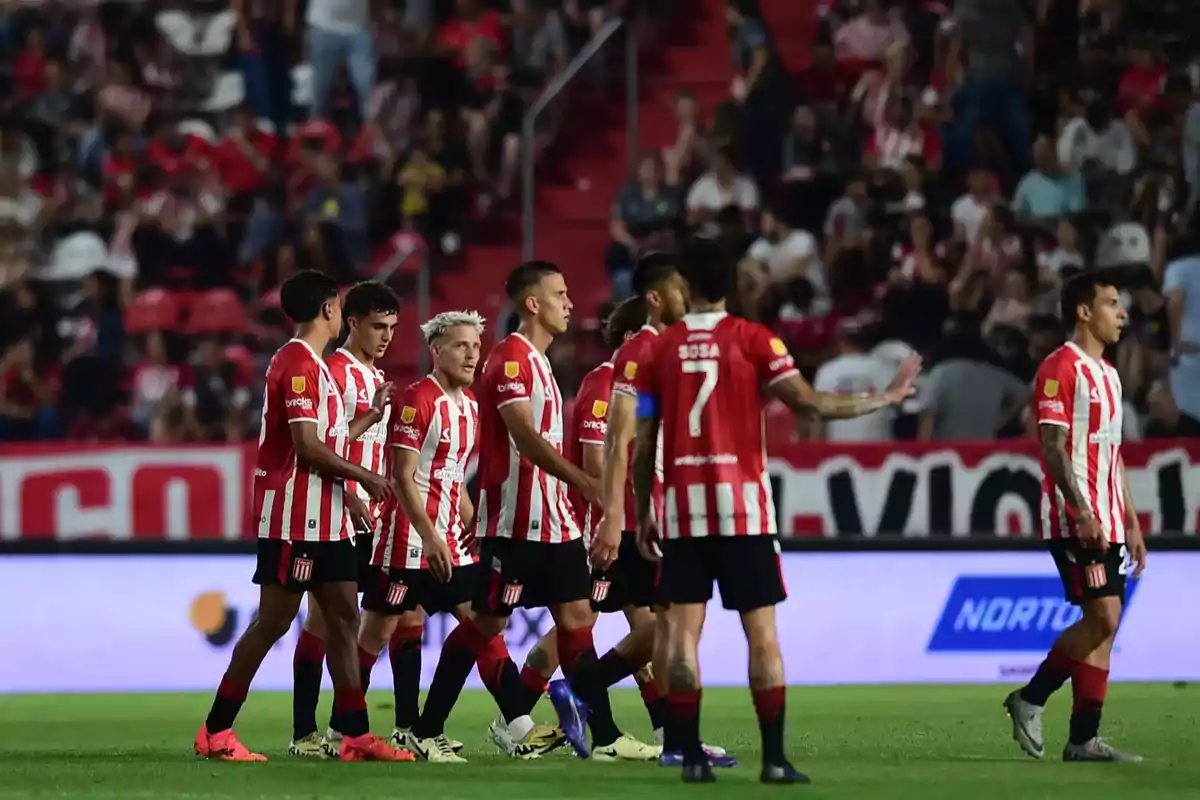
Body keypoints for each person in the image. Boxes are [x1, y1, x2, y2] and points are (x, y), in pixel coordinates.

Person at [630, 238, 919, 783]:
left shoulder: (658, 350)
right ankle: (775, 760)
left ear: (685, 288)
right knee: (762, 637)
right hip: (745, 515)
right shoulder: (755, 340)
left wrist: (646, 507)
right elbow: (809, 404)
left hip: (684, 513)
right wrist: (882, 399)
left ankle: (690, 757)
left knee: (683, 639)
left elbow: (645, 444)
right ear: (731, 286)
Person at [194, 270, 406, 763]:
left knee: (344, 618)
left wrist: (370, 417)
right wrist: (367, 478)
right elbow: (308, 449)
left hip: (324, 515)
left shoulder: (312, 365)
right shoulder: (296, 363)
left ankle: (354, 734)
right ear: (331, 309)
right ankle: (216, 730)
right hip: (297, 516)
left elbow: (327, 439)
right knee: (274, 621)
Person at [463, 260, 655, 761]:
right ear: (533, 303)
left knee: (576, 619)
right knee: (487, 625)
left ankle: (608, 737)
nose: (570, 303)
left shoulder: (544, 363)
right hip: (515, 523)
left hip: (553, 521)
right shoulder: (510, 358)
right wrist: (589, 485)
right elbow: (525, 439)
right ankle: (427, 724)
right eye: (560, 293)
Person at [374, 310, 563, 762]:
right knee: (377, 632)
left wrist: (471, 521)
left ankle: (510, 726)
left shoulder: (470, 405)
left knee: (482, 623)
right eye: (461, 346)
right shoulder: (417, 398)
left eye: (476, 347)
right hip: (407, 536)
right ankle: (357, 730)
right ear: (436, 351)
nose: (472, 354)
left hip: (449, 538)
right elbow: (403, 476)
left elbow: (451, 477)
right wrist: (428, 533)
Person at [517, 294, 689, 760]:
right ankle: (520, 712)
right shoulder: (604, 385)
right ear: (634, 338)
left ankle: (666, 733)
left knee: (640, 629)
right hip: (606, 530)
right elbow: (597, 461)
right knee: (588, 628)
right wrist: (613, 521)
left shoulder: (643, 389)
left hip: (636, 527)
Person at [591, 251, 734, 768]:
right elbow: (618, 440)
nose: (688, 299)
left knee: (673, 628)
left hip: (677, 512)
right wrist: (612, 516)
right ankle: (678, 740)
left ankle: (585, 694)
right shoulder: (641, 352)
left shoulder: (680, 349)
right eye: (680, 289)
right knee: (672, 628)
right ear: (656, 297)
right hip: (643, 518)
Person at [1004, 272, 1146, 764]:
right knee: (1103, 617)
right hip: (1076, 519)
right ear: (1084, 312)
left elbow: (1113, 452)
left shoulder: (1109, 375)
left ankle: (1083, 738)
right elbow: (1051, 445)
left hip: (1108, 518)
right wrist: (1082, 510)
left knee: (1105, 626)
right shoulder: (1058, 368)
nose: (1121, 313)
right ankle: (1031, 697)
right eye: (1111, 303)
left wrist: (1130, 518)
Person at [288, 281, 398, 757]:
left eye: (392, 328)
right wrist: (351, 492)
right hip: (338, 509)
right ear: (350, 322)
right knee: (326, 621)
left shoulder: (374, 378)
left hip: (369, 511)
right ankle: (312, 730)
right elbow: (325, 444)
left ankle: (329, 729)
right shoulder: (333, 371)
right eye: (378, 326)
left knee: (352, 620)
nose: (387, 336)